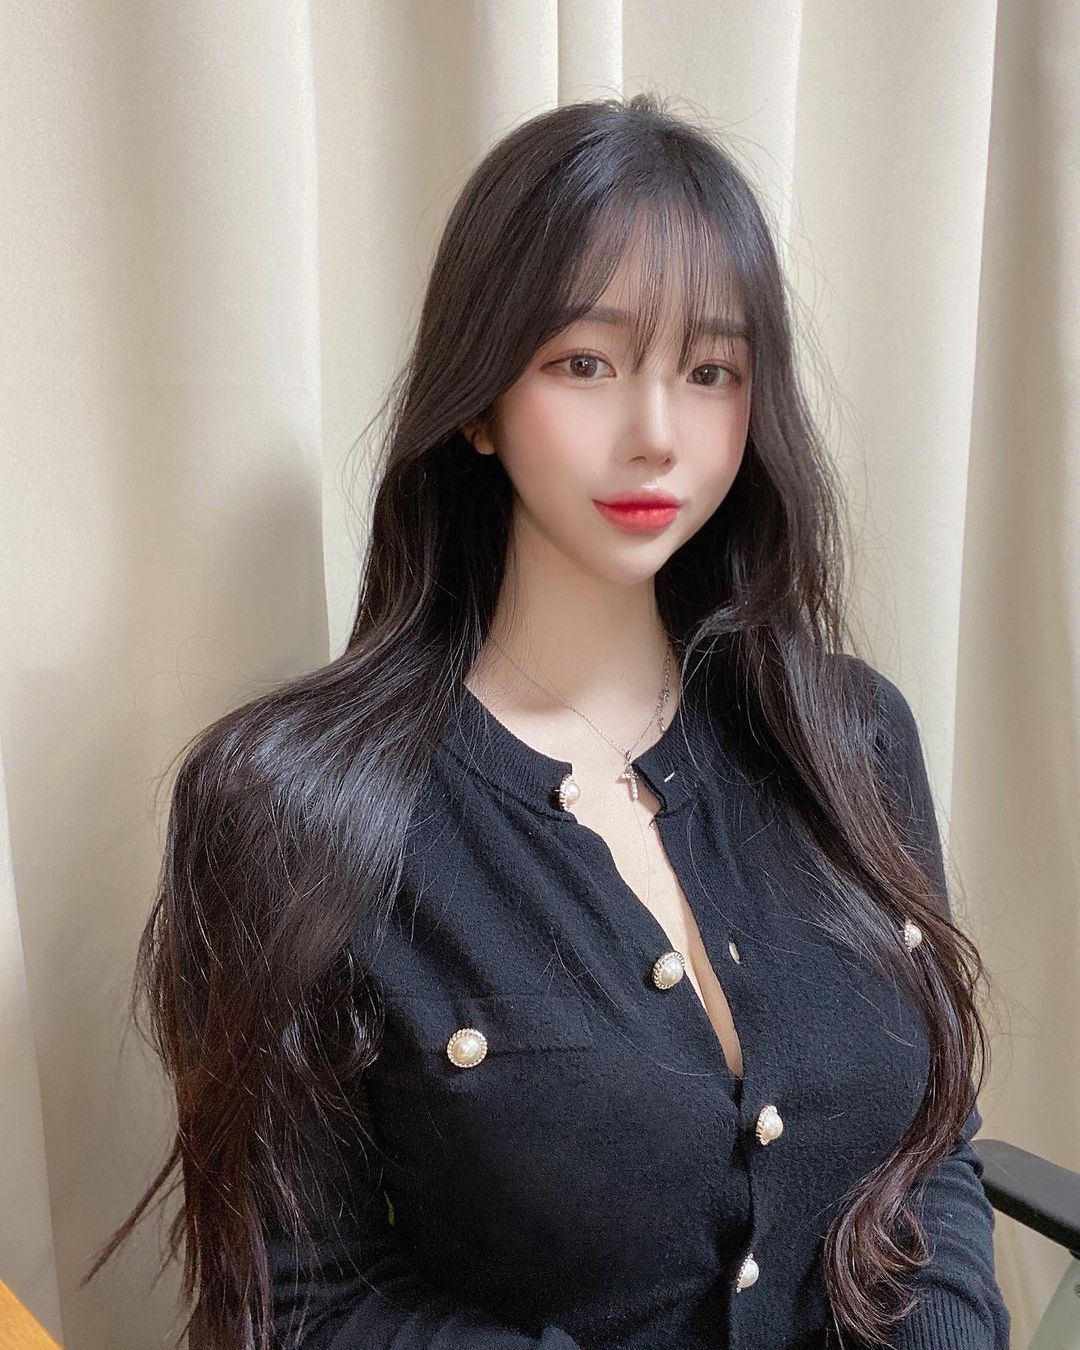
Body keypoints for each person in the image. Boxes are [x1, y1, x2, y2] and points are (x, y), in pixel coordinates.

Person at [86, 93, 1010, 1349]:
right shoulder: (286, 808)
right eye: (586, 364)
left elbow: (931, 1145)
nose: (656, 435)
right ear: (478, 401)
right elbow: (307, 1306)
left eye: (711, 372)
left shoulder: (849, 735)